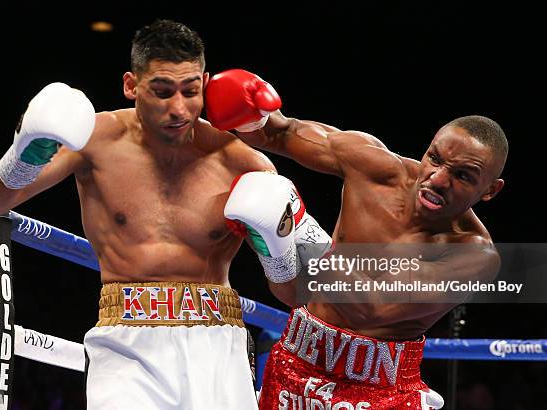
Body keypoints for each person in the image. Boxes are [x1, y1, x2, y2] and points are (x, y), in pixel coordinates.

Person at [0, 20, 313, 410]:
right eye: (162, 92)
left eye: (190, 91)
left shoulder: (243, 162)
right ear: (132, 85)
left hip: (218, 343)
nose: (178, 108)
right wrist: (27, 154)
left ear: (204, 83)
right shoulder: (93, 140)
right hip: (125, 342)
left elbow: (296, 294)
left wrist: (275, 252)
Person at [205, 69, 508, 409]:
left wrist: (301, 230)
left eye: (463, 176)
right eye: (434, 158)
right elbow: (280, 132)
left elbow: (372, 308)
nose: (437, 179)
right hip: (294, 364)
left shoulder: (474, 256)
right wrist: (251, 114)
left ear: (490, 191)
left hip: (378, 394)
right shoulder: (373, 167)